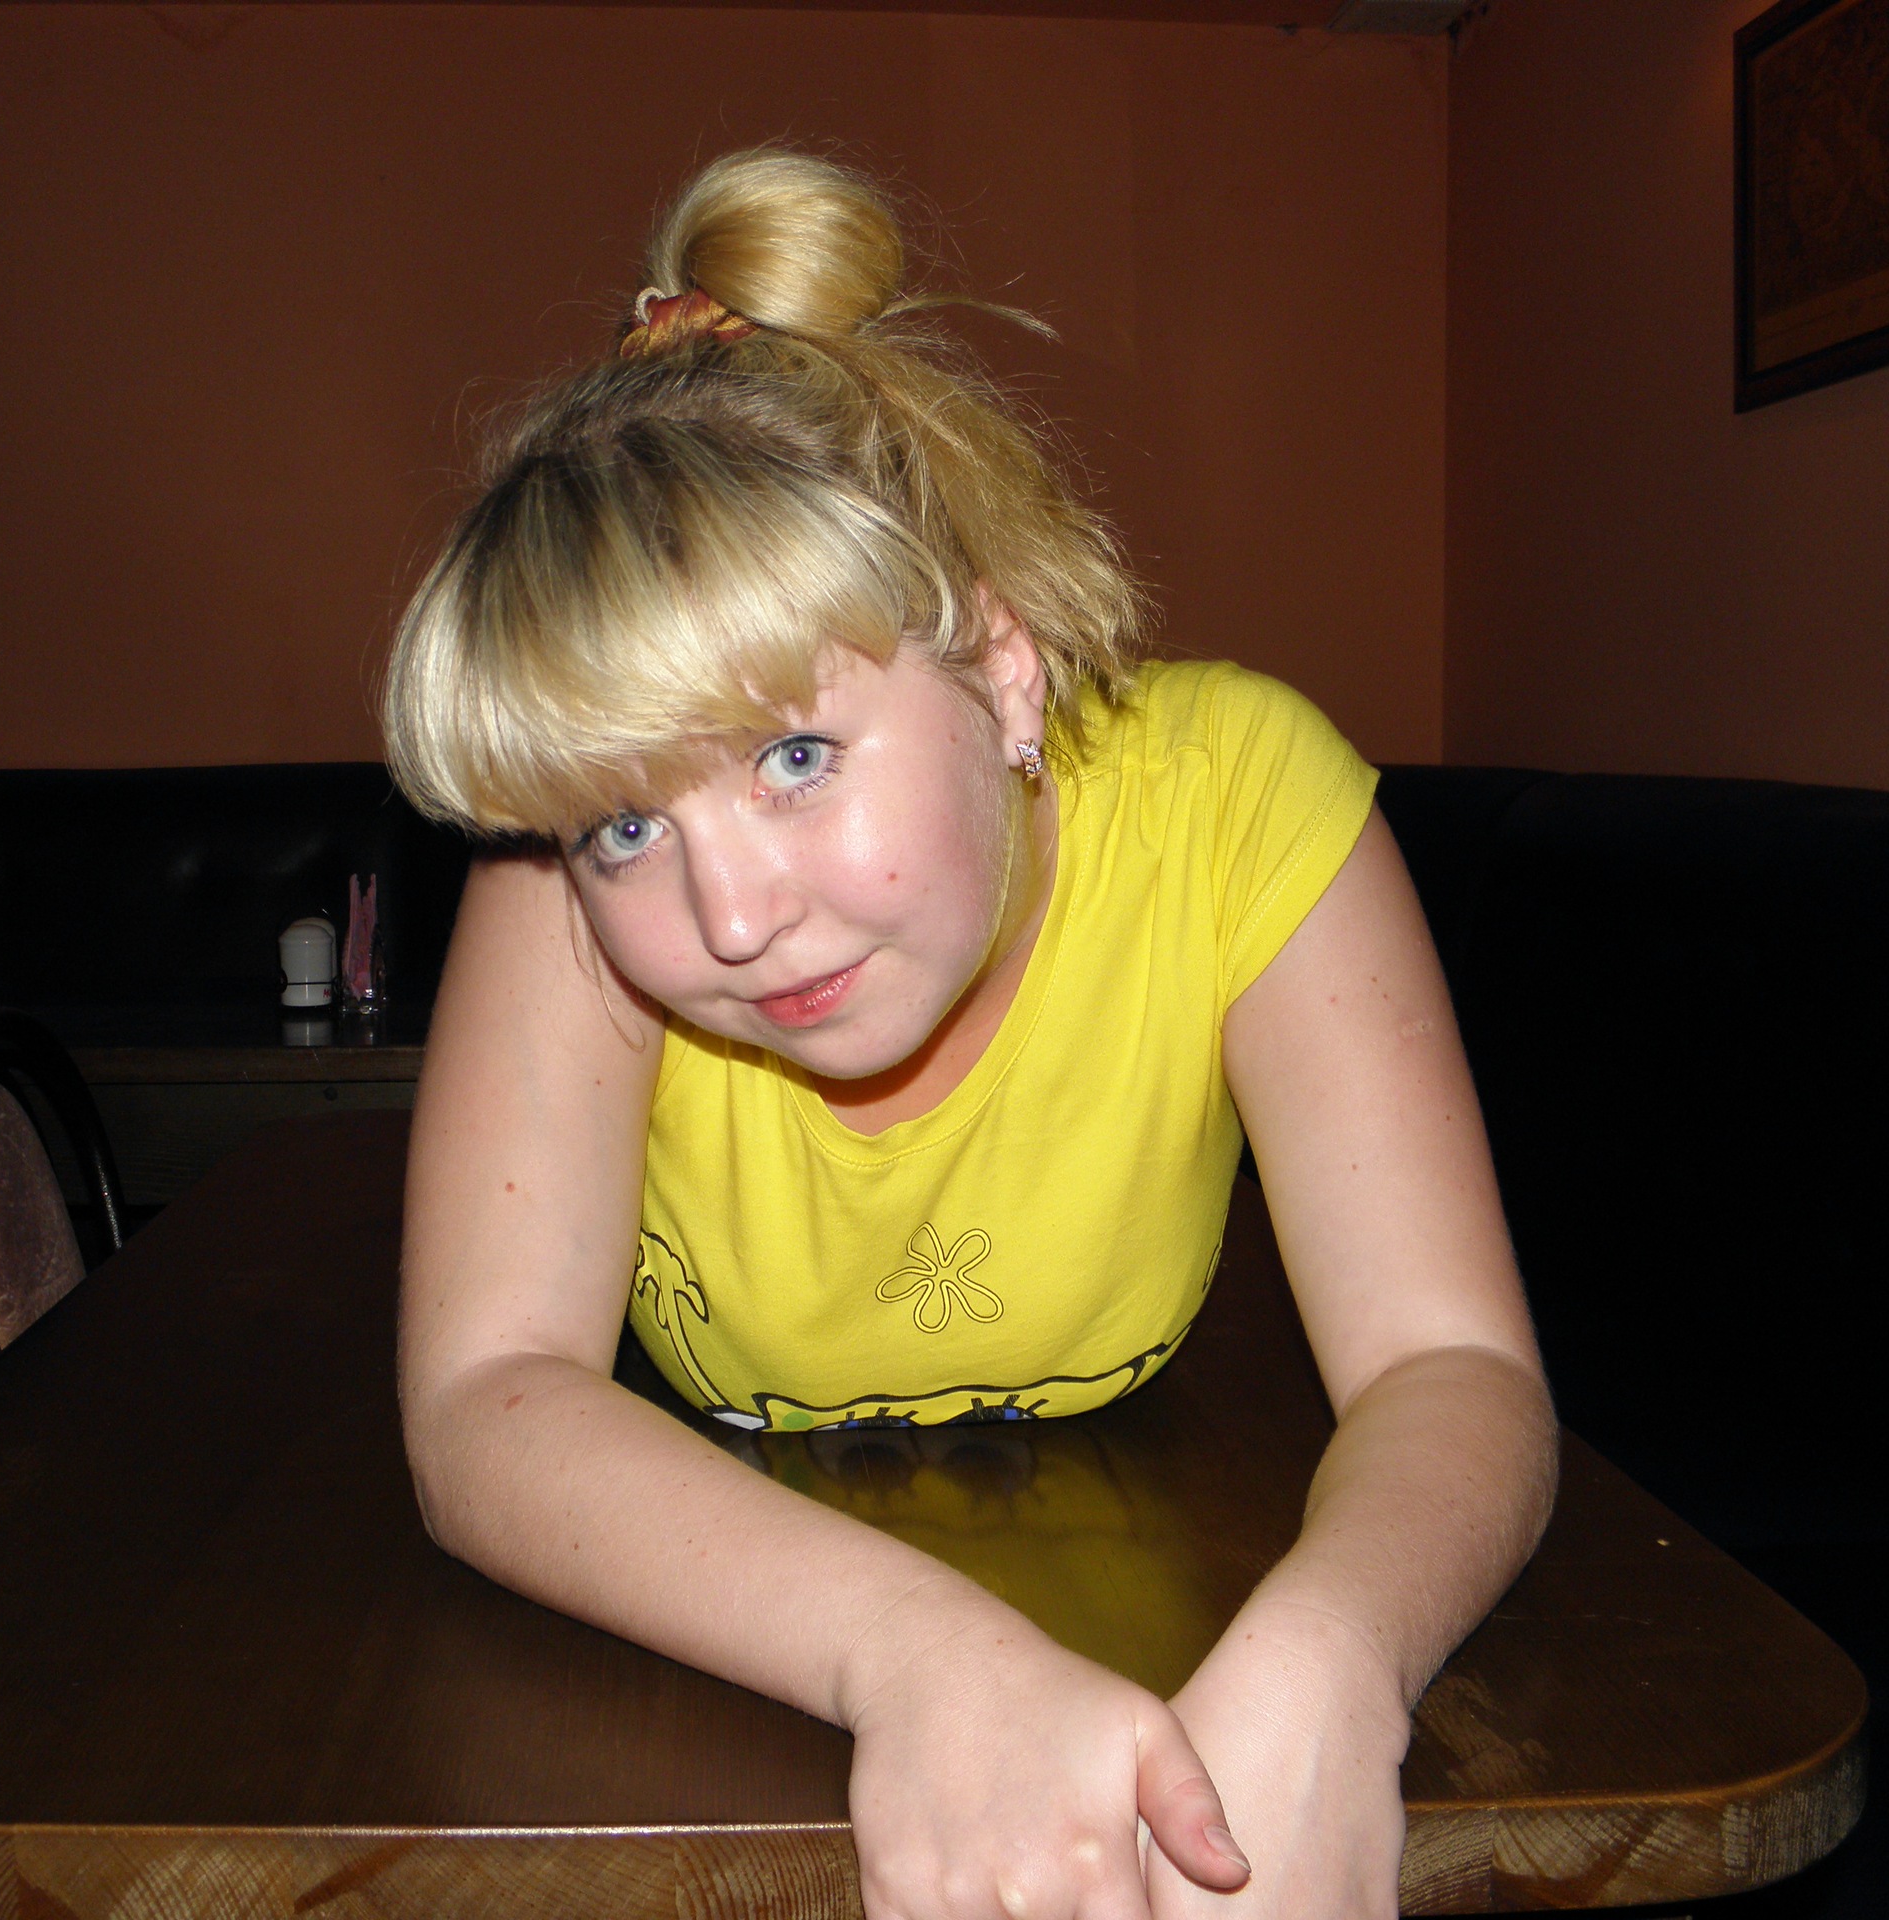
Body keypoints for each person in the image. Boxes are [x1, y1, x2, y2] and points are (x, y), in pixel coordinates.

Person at [383, 147, 1556, 1920]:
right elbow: (483, 1401)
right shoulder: (554, 890)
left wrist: (1339, 1655)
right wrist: (916, 1657)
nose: (728, 918)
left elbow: (1450, 1365)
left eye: (794, 758)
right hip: (714, 1710)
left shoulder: (1234, 801)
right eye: (625, 822)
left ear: (1003, 667)